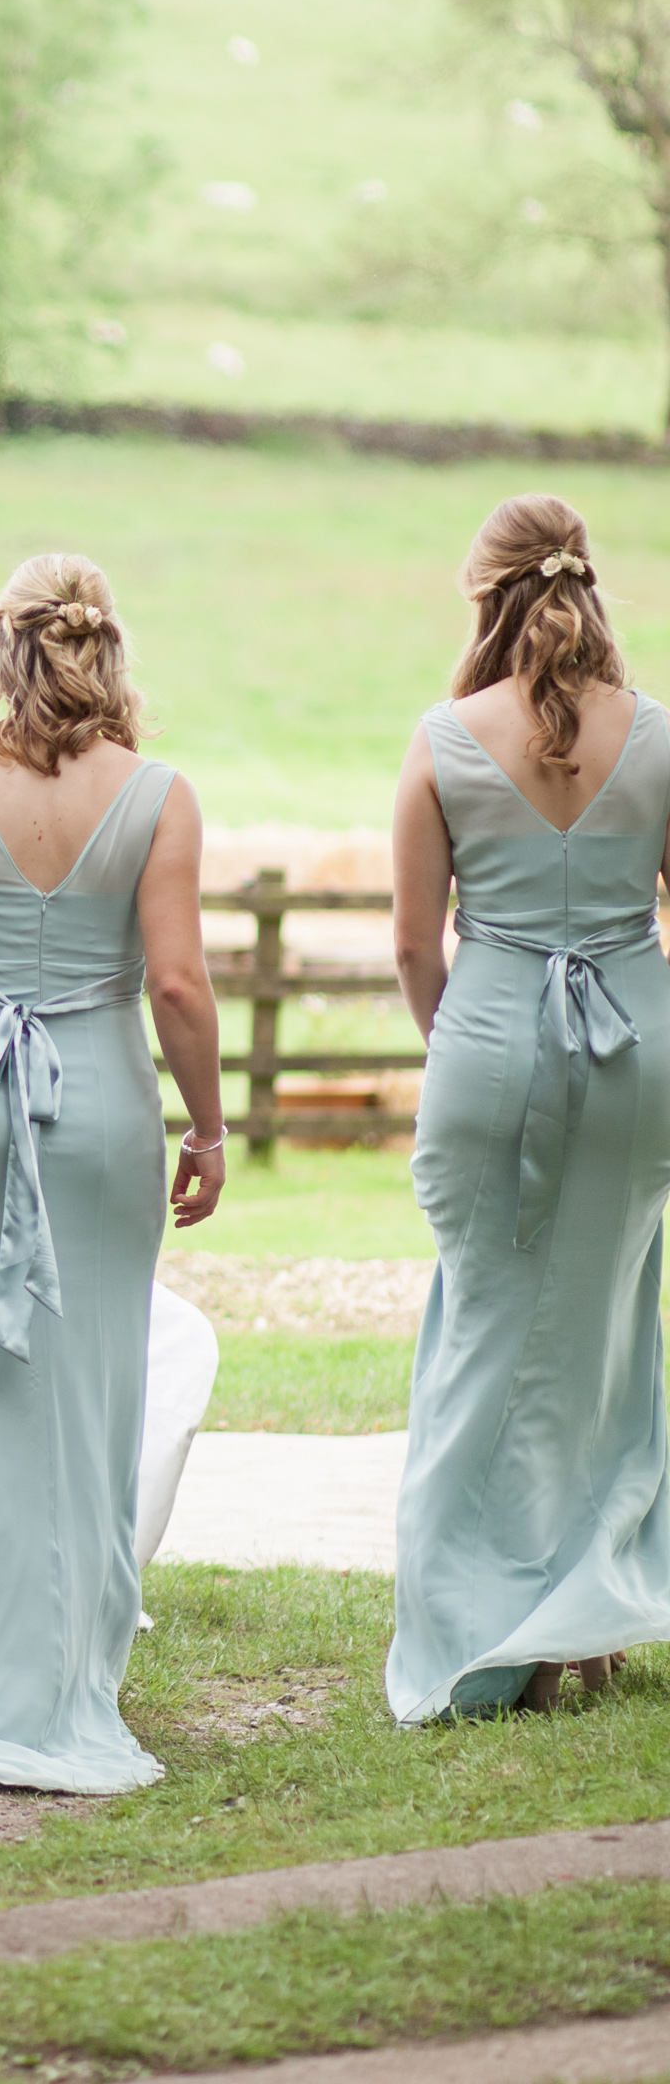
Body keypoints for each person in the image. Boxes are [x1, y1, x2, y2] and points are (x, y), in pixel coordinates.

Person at [0, 554, 224, 1792]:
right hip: (100, 1112)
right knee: (87, 1396)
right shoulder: (158, 795)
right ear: (106, 650)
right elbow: (174, 985)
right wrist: (209, 1128)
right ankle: (66, 1673)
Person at [386, 494, 670, 1722]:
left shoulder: (444, 737)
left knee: (484, 1335)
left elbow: (410, 945)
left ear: (483, 596)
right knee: (607, 1334)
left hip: (487, 1043)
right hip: (635, 1048)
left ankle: (488, 1630)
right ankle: (587, 1623)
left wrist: (468, 1049)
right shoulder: (655, 736)